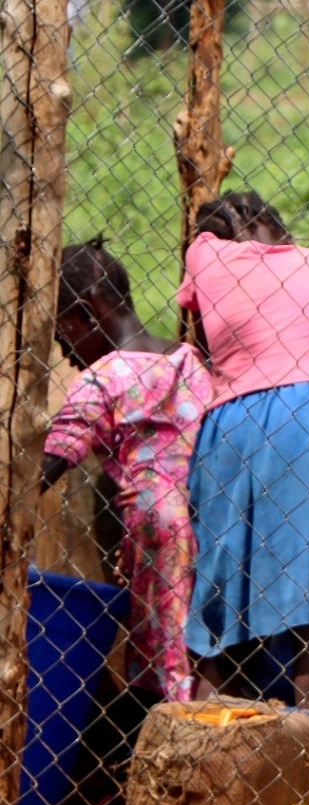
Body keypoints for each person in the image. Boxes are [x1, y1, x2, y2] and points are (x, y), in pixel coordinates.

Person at [180, 191, 309, 725]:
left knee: (223, 608)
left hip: (238, 423)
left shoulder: (205, 254)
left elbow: (202, 346)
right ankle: (308, 769)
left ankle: (212, 756)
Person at [43, 238, 213, 703]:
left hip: (155, 526)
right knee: (200, 645)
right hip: (213, 516)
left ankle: (167, 731)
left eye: (63, 332)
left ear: (88, 312)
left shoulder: (101, 379)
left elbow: (56, 456)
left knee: (162, 647)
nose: (63, 350)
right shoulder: (190, 361)